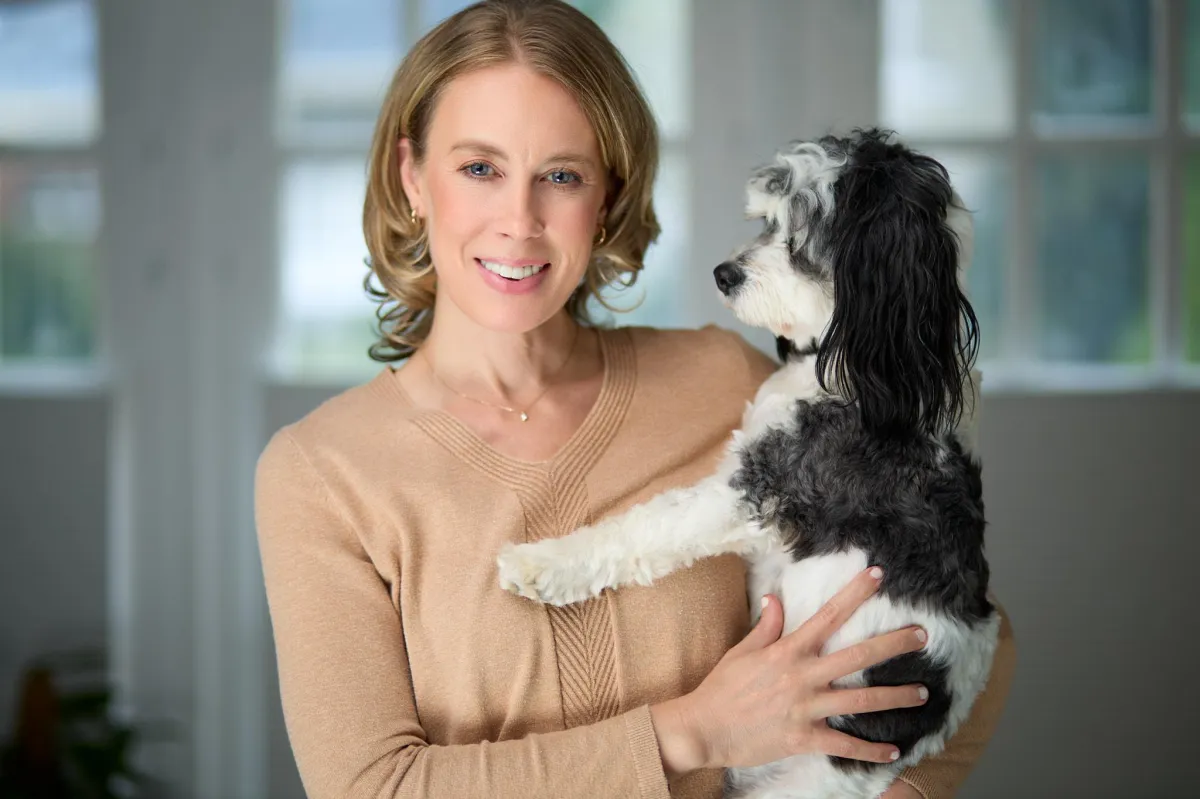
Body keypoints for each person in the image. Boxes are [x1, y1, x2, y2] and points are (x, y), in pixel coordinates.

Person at [254, 2, 1016, 797]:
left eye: (561, 174)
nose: (519, 220)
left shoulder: (726, 378)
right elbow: (371, 786)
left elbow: (972, 634)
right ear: (412, 178)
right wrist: (690, 732)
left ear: (607, 195)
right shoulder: (321, 474)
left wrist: (900, 794)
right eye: (479, 168)